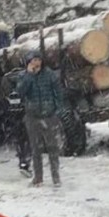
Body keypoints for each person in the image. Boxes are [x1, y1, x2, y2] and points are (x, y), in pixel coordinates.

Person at [16, 50, 66, 187]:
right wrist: (29, 76)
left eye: (38, 59)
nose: (36, 62)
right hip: (32, 117)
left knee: (53, 148)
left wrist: (57, 109)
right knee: (35, 149)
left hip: (49, 116)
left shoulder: (50, 75)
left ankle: (56, 177)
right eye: (33, 60)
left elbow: (59, 93)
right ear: (29, 62)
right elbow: (20, 91)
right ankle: (38, 178)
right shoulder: (24, 76)